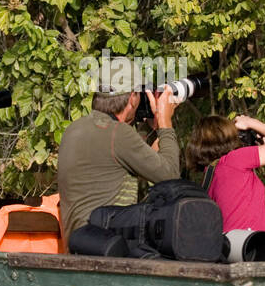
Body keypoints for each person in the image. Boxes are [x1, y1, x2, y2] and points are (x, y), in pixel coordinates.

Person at [57, 87, 181, 243]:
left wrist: (159, 132)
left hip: (82, 245)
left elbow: (151, 165)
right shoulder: (118, 132)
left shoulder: (75, 128)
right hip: (108, 251)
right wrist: (165, 121)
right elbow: (170, 175)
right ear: (132, 98)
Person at [186, 115, 265, 233]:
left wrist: (258, 154)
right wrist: (252, 123)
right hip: (249, 245)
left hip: (229, 245)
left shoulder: (211, 171)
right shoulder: (235, 159)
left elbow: (260, 209)